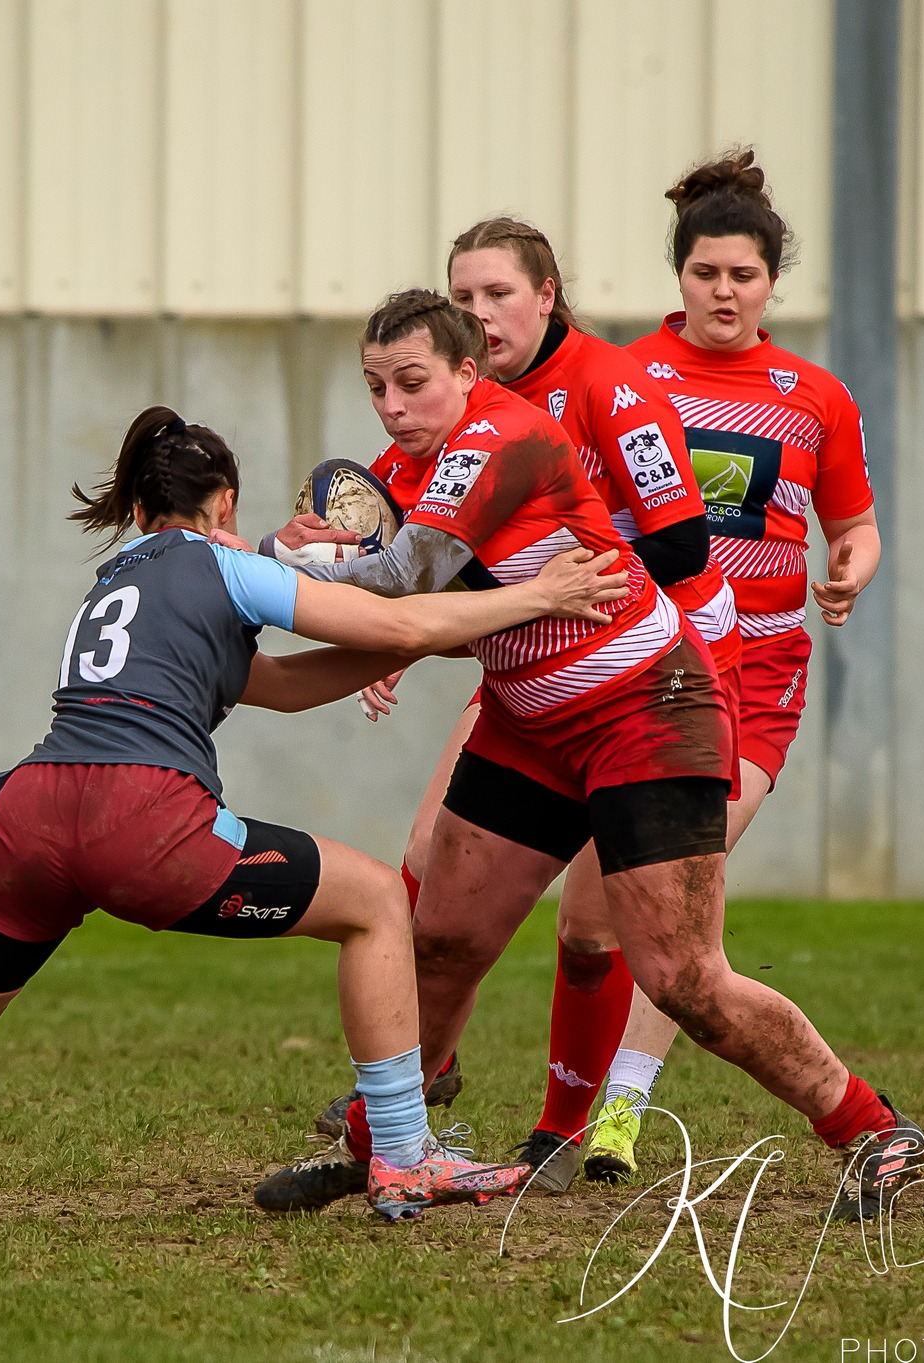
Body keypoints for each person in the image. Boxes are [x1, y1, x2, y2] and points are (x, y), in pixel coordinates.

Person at [0, 405, 630, 1226]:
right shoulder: (221, 563)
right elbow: (396, 621)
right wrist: (538, 597)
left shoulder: (116, 584)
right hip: (141, 817)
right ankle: (403, 1156)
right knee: (378, 900)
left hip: (28, 817)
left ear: (136, 511)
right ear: (225, 507)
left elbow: (286, 685)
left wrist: (416, 641)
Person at [247, 289, 924, 1224]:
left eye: (411, 383)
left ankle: (871, 1127)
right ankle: (384, 1152)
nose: (392, 406)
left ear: (467, 374)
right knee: (439, 942)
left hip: (646, 709)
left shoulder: (500, 438)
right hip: (530, 721)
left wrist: (251, 568)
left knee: (684, 977)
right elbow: (410, 594)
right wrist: (299, 553)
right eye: (375, 388)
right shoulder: (408, 465)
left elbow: (408, 579)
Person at [255, 218, 739, 1206]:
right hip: (522, 677)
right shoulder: (436, 423)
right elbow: (405, 562)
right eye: (462, 295)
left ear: (545, 296)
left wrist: (633, 658)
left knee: (600, 929)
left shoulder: (601, 387)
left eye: (497, 294)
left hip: (653, 684)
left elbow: (686, 560)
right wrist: (386, 618)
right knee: (432, 888)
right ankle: (395, 1113)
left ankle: (565, 1131)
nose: (480, 312)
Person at [579, 148, 884, 1183]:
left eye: (741, 275)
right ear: (678, 276)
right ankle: (544, 1110)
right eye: (704, 273)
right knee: (588, 919)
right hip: (636, 666)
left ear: (769, 282)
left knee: (673, 907)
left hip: (752, 680)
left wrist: (847, 569)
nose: (722, 291)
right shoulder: (620, 378)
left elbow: (854, 523)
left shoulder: (812, 396)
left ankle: (617, 1111)